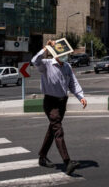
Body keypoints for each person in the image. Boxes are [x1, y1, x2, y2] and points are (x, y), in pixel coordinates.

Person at [31, 40, 88, 175]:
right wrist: (46, 48)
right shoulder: (46, 64)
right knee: (58, 130)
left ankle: (42, 157)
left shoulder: (67, 66)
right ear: (55, 53)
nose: (65, 56)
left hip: (62, 103)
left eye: (66, 54)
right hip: (50, 103)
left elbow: (73, 83)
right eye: (63, 54)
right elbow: (35, 60)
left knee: (53, 130)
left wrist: (81, 96)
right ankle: (67, 162)